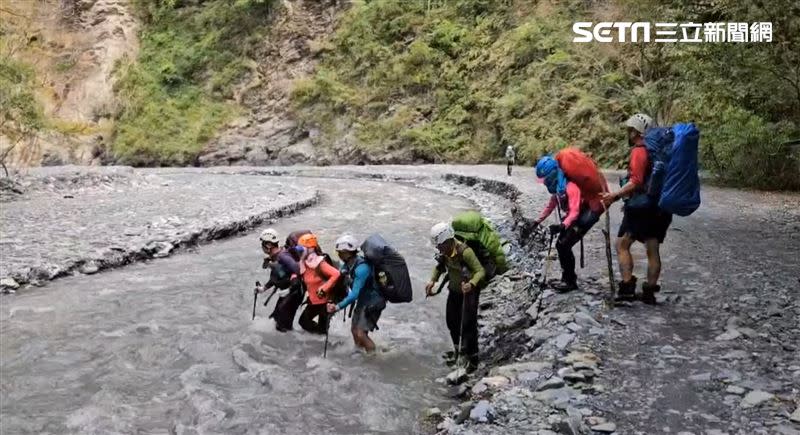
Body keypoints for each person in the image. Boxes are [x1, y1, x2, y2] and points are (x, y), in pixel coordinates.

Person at [601, 113, 673, 304]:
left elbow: (636, 181)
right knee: (652, 247)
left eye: (629, 130)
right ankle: (649, 292)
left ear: (635, 131)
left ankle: (626, 289)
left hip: (642, 208)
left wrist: (614, 196)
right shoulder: (659, 152)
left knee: (622, 245)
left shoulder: (639, 151)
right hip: (661, 206)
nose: (628, 133)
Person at [532, 156, 603, 292]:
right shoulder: (559, 189)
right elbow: (550, 207)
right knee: (561, 245)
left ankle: (570, 282)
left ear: (551, 175)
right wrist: (536, 221)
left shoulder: (571, 187)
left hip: (582, 218)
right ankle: (566, 278)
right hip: (572, 219)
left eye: (545, 179)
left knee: (564, 245)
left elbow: (575, 211)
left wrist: (562, 226)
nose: (544, 183)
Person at [425, 222, 486, 372]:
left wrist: (471, 284)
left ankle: (473, 359)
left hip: (469, 293)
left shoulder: (465, 252)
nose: (438, 248)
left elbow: (480, 271)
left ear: (447, 240)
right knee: (452, 322)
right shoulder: (445, 253)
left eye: (440, 245)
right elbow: (439, 267)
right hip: (454, 291)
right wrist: (433, 280)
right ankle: (458, 352)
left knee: (468, 325)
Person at [326, 235, 386, 353]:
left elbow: (354, 295)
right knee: (354, 330)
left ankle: (373, 358)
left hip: (373, 303)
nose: (338, 255)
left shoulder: (362, 269)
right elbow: (340, 277)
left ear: (347, 252)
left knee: (361, 333)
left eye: (340, 252)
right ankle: (359, 355)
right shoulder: (349, 265)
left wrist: (337, 307)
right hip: (364, 302)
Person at [257, 228, 303, 332]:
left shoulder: (283, 256)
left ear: (268, 245)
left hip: (294, 293)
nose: (262, 247)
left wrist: (290, 288)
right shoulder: (275, 257)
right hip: (286, 293)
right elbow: (275, 277)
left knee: (282, 325)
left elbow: (297, 270)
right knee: (275, 319)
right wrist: (263, 288)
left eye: (263, 244)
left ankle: (294, 343)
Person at [296, 233, 341, 333]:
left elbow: (336, 274)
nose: (299, 251)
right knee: (303, 322)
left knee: (321, 330)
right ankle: (315, 339)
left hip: (325, 302)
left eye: (301, 249)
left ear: (311, 248)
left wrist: (324, 288)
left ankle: (323, 342)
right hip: (313, 301)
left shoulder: (320, 263)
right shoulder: (305, 262)